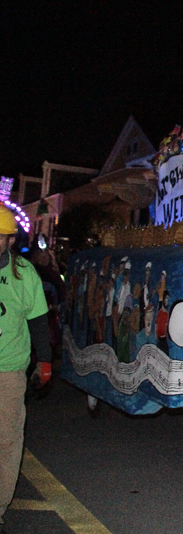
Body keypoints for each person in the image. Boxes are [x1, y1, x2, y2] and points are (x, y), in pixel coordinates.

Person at [0, 205, 51, 531]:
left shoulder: (24, 274)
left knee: (6, 442)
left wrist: (44, 360)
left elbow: (39, 323)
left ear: (8, 239)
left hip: (8, 373)